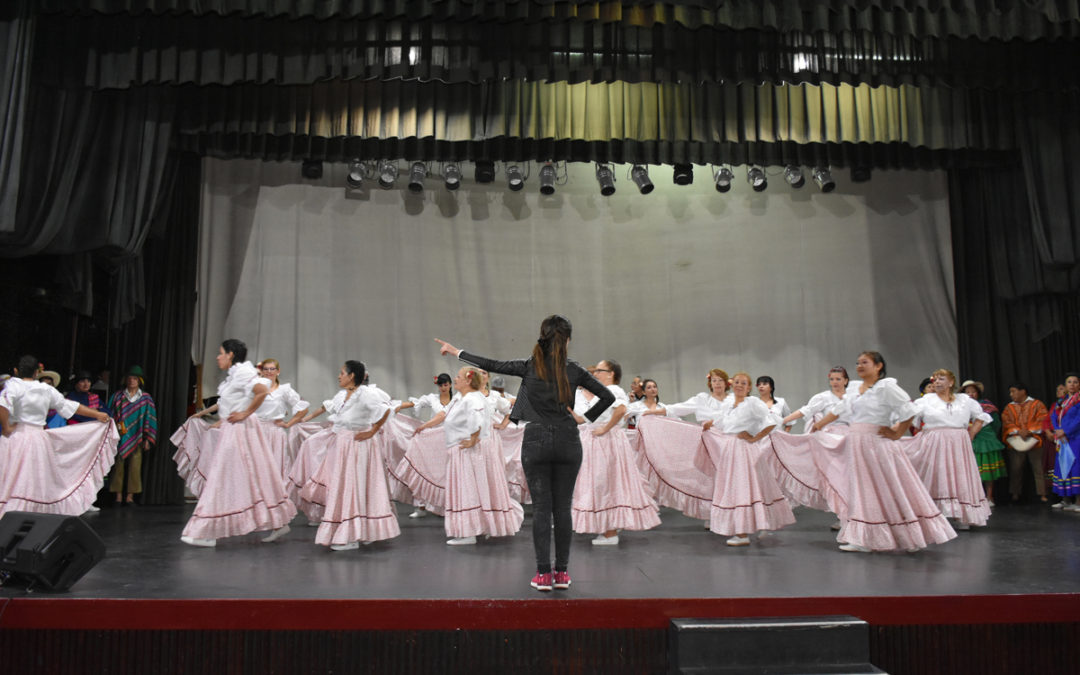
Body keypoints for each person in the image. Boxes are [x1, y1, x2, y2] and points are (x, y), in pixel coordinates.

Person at [436, 314, 614, 592]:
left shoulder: (530, 366)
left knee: (542, 509)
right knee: (562, 509)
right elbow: (609, 397)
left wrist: (456, 351)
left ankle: (543, 574)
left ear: (542, 337)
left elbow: (490, 364)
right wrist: (585, 418)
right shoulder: (574, 369)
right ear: (568, 340)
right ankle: (562, 574)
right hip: (568, 440)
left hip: (536, 440)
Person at [772, 351, 955, 552]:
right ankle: (867, 538)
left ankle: (907, 533)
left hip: (877, 443)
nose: (860, 366)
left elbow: (908, 411)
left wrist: (897, 433)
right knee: (863, 489)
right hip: (857, 441)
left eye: (865, 362)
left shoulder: (886, 388)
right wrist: (818, 425)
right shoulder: (855, 390)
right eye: (858, 363)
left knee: (888, 485)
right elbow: (838, 410)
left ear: (878, 366)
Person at [180, 339, 296, 547]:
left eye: (221, 353)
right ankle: (278, 521)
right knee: (253, 477)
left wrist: (245, 413)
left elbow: (261, 391)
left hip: (240, 430)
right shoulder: (235, 375)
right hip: (234, 429)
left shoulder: (243, 372)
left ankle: (206, 532)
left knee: (221, 476)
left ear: (231, 355)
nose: (218, 357)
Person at [297, 360, 399, 550]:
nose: (339, 376)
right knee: (348, 487)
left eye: (342, 373)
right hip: (345, 444)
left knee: (356, 487)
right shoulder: (343, 396)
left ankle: (352, 536)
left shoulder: (365, 394)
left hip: (359, 445)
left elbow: (385, 410)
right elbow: (330, 410)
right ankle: (363, 531)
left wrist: (372, 431)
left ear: (352, 376)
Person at [0, 355, 116, 516]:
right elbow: (69, 406)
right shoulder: (45, 390)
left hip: (15, 437)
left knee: (11, 476)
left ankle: (10, 515)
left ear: (16, 371)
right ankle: (28, 515)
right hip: (37, 439)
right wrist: (96, 415)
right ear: (36, 373)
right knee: (32, 479)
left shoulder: (13, 386)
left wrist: (6, 427)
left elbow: (3, 403)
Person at [568, 359, 660, 546]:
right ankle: (609, 527)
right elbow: (582, 419)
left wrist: (605, 429)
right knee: (601, 483)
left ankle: (610, 532)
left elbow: (621, 410)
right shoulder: (600, 394)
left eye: (600, 370)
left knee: (605, 483)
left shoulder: (614, 390)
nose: (596, 373)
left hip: (606, 442)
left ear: (611, 374)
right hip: (596, 441)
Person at [697, 372, 794, 546]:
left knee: (742, 487)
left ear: (749, 388)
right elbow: (721, 420)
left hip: (743, 449)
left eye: (744, 383)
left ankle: (742, 534)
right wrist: (708, 424)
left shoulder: (753, 403)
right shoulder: (729, 403)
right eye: (737, 383)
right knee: (738, 487)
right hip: (731, 448)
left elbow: (773, 421)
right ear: (732, 385)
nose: (739, 386)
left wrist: (754, 437)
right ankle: (748, 527)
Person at [440, 366, 523, 545]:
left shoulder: (472, 398)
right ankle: (480, 526)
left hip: (467, 450)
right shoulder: (467, 397)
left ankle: (470, 532)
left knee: (468, 487)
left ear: (468, 380)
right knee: (475, 487)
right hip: (463, 448)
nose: (455, 379)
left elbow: (476, 421)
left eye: (459, 376)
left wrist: (473, 439)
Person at [904, 369, 992, 529]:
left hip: (959, 442)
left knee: (960, 475)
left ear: (951, 382)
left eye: (941, 379)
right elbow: (911, 419)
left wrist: (971, 433)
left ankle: (962, 515)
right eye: (935, 379)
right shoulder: (926, 400)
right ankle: (932, 514)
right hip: (934, 442)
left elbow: (980, 416)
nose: (937, 382)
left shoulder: (964, 400)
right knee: (936, 474)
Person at [106, 365, 158, 506]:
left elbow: (150, 417)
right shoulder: (117, 396)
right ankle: (118, 495)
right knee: (118, 465)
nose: (132, 381)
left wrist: (148, 438)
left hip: (138, 436)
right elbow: (109, 415)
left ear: (139, 381)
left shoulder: (146, 398)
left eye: (135, 378)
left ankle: (130, 496)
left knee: (135, 466)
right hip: (120, 435)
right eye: (129, 378)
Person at [253, 358, 310, 479]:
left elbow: (303, 408)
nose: (269, 371)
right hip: (255, 431)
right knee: (255, 466)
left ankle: (275, 495)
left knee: (275, 467)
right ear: (261, 371)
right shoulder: (255, 389)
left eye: (272, 369)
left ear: (278, 371)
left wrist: (289, 424)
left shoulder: (284, 390)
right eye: (266, 369)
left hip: (275, 433)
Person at [1001, 382, 1050, 504]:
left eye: (1013, 391)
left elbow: (1043, 419)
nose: (1011, 394)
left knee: (1039, 468)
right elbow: (1007, 422)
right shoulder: (1009, 408)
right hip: (1016, 441)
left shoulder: (1037, 404)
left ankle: (1043, 493)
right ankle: (1015, 493)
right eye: (1010, 392)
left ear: (1023, 391)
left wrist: (1029, 431)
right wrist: (1018, 431)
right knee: (1016, 468)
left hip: (1035, 441)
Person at [960, 380, 1007, 506]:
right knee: (970, 472)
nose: (970, 394)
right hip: (968, 441)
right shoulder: (960, 407)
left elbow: (996, 424)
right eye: (967, 392)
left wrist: (989, 434)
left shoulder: (987, 406)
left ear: (978, 393)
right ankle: (974, 497)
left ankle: (989, 497)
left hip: (986, 441)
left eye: (973, 391)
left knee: (988, 472)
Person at [781, 366, 850, 434]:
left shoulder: (852, 397)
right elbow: (804, 411)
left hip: (850, 433)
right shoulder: (823, 397)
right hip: (830, 436)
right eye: (832, 379)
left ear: (846, 381)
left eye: (838, 379)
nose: (834, 382)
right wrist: (782, 421)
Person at [1049, 373, 1080, 511]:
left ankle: (1078, 502)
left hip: (1075, 438)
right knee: (1063, 466)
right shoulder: (1061, 401)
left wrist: (1065, 431)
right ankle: (1066, 500)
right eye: (1069, 382)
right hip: (1062, 439)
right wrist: (1057, 430)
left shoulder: (1078, 400)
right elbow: (1054, 416)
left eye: (1075, 382)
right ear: (1066, 385)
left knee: (1076, 467)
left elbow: (1078, 420)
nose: (1072, 384)